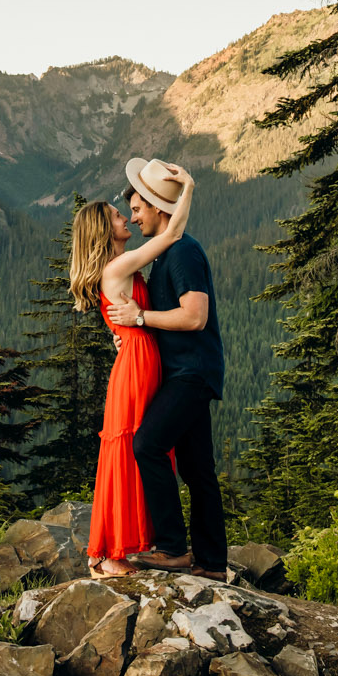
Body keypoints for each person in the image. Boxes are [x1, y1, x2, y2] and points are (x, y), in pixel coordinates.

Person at [68, 162, 196, 575]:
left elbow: (123, 314)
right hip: (137, 365)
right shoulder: (117, 267)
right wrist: (187, 187)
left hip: (138, 359)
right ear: (106, 231)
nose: (128, 217)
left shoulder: (121, 268)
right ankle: (113, 554)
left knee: (136, 450)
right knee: (131, 450)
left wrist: (123, 330)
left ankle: (111, 550)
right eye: (119, 216)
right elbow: (173, 233)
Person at [107, 156, 226, 578]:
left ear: (159, 208)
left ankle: (174, 549)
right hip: (187, 371)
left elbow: (194, 316)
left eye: (138, 209)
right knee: (197, 469)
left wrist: (140, 318)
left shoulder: (183, 253)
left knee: (147, 445)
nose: (135, 218)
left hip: (190, 373)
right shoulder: (167, 253)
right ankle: (212, 563)